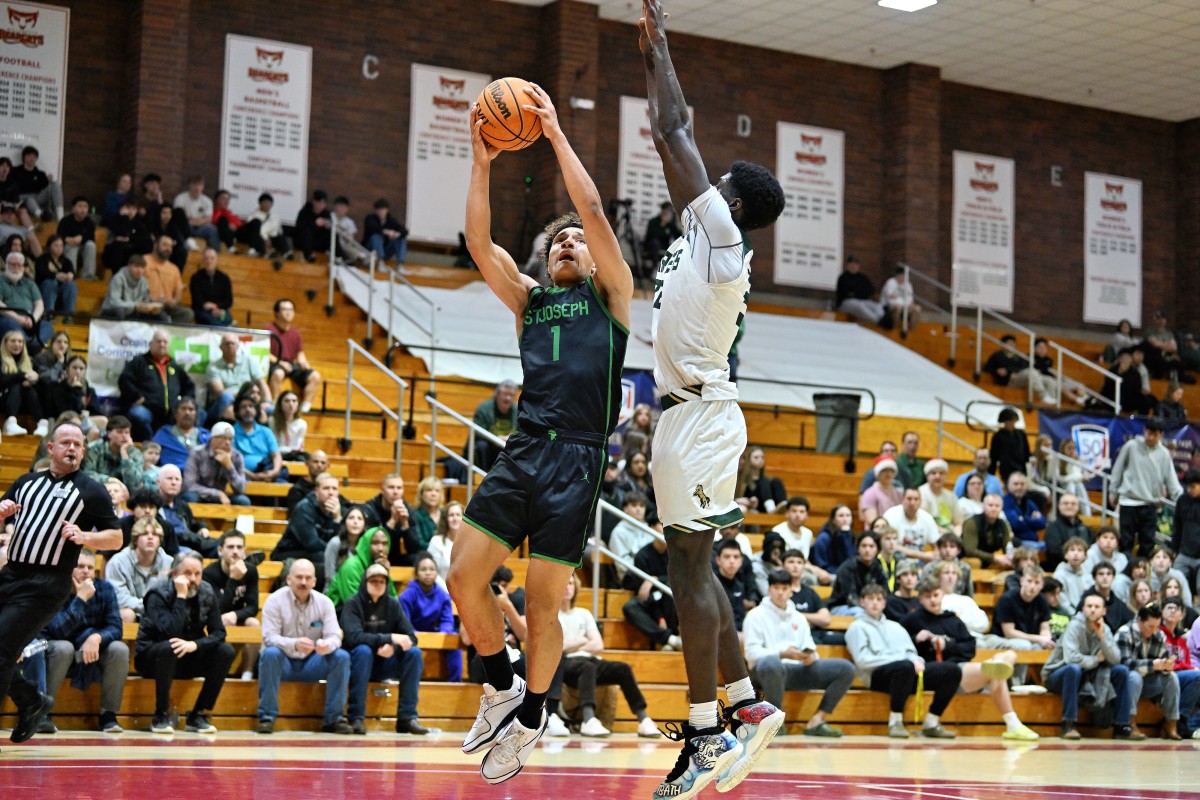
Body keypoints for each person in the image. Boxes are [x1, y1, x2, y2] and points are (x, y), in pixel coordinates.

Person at [447, 78, 634, 785]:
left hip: (579, 460)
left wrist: (554, 134)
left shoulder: (612, 299)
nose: (568, 241)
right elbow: (477, 241)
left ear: (593, 260)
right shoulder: (528, 301)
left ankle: (533, 716)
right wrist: (481, 158)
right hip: (525, 449)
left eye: (576, 242)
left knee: (540, 598)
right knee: (463, 577)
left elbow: (590, 208)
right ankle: (499, 686)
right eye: (557, 239)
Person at [638, 3, 791, 791]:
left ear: (729, 202)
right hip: (690, 415)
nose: (705, 180)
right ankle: (746, 704)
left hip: (699, 416)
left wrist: (659, 48)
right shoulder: (707, 236)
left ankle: (705, 734)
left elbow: (673, 131)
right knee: (693, 569)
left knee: (691, 574)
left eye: (718, 181)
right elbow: (676, 142)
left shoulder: (724, 240)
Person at [0, 422, 123, 745]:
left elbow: (117, 537)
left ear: (83, 451)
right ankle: (31, 700)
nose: (72, 448)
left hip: (47, 584)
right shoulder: (26, 483)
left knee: (1, 649)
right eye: (65, 442)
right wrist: (1, 513)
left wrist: (86, 536)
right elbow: (3, 513)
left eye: (78, 444)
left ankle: (30, 701)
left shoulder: (91, 490)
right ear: (50, 448)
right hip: (11, 574)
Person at [901, 580, 1038, 740]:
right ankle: (1013, 724)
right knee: (994, 672)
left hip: (960, 669)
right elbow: (898, 646)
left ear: (942, 595)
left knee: (1008, 656)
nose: (933, 600)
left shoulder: (952, 619)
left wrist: (948, 645)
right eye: (927, 596)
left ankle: (999, 668)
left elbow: (970, 648)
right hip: (934, 673)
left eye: (936, 595)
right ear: (921, 599)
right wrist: (915, 638)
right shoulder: (912, 620)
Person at [742, 568, 855, 736]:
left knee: (846, 668)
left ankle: (816, 721)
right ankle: (775, 723)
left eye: (784, 588)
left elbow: (809, 645)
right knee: (772, 663)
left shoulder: (799, 617)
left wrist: (810, 656)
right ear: (769, 589)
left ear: (790, 591)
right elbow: (751, 654)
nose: (780, 593)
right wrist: (782, 653)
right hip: (764, 673)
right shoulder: (755, 616)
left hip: (797, 670)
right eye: (776, 588)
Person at [134, 551, 235, 734]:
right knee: (171, 646)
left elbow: (219, 633)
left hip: (186, 655)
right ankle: (160, 715)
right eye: (187, 573)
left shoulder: (206, 591)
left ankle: (198, 714)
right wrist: (181, 596)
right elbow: (170, 633)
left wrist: (195, 645)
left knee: (225, 651)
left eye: (197, 574)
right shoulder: (157, 593)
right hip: (152, 658)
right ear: (175, 574)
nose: (193, 579)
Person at [551, 573, 660, 738]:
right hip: (566, 664)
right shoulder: (553, 615)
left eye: (571, 583)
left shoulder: (584, 613)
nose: (568, 587)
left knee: (622, 669)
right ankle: (589, 720)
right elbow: (557, 648)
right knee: (586, 668)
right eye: (565, 583)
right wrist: (582, 640)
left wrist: (572, 644)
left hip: (590, 659)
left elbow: (598, 645)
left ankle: (643, 719)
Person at [846, 583, 960, 738]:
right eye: (870, 598)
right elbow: (863, 661)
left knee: (951, 670)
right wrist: (903, 660)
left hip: (906, 674)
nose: (875, 603)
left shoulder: (896, 627)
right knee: (904, 666)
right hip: (877, 678)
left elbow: (911, 652)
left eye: (879, 599)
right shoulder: (856, 627)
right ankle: (895, 722)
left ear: (884, 604)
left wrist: (917, 660)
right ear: (862, 602)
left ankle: (932, 722)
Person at [257, 558, 352, 734]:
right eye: (299, 577)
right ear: (288, 579)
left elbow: (335, 636)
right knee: (269, 653)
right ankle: (267, 717)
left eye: (308, 578)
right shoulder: (274, 601)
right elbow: (269, 637)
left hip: (312, 663)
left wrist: (327, 645)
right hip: (282, 662)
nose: (303, 582)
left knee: (341, 656)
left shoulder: (325, 603)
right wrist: (294, 644)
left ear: (314, 581)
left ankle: (334, 718)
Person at [41, 549, 130, 734]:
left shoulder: (105, 588)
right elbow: (58, 631)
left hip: (91, 650)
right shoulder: (55, 589)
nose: (86, 571)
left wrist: (96, 637)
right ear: (69, 568)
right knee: (64, 648)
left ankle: (109, 715)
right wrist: (81, 599)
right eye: (80, 566)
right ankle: (42, 713)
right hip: (59, 649)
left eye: (90, 567)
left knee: (119, 649)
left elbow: (116, 627)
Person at [341, 562, 429, 735]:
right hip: (358, 663)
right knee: (363, 651)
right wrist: (389, 637)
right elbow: (353, 637)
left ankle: (407, 718)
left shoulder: (393, 604)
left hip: (385, 661)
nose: (378, 585)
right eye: (373, 580)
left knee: (414, 653)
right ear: (364, 582)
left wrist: (394, 647)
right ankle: (356, 717)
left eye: (382, 581)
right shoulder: (352, 603)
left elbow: (411, 637)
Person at [1042, 592, 1134, 739]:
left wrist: (1102, 637)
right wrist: (1096, 660)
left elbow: (1116, 659)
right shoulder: (1074, 626)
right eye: (1089, 606)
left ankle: (1121, 725)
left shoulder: (1105, 629)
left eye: (1096, 606)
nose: (1092, 609)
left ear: (1103, 611)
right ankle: (1068, 725)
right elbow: (1071, 659)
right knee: (1073, 669)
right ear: (1083, 609)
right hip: (1057, 674)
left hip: (1087, 673)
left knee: (1121, 671)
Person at [1111, 418, 1183, 556]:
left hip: (1150, 504)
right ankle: (1126, 575)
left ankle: (1144, 576)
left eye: (1154, 435)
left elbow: (1172, 481)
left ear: (1160, 434)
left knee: (1148, 545)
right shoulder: (1131, 446)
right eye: (1148, 433)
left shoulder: (1164, 454)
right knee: (1126, 543)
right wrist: (1113, 492)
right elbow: (1117, 470)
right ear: (1144, 430)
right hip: (1128, 502)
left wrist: (1182, 499)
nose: (1150, 437)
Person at [201, 529, 261, 680]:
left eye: (239, 547)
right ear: (220, 551)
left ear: (244, 551)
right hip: (213, 619)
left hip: (236, 616)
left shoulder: (251, 571)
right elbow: (215, 609)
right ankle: (210, 671)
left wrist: (235, 614)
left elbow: (253, 607)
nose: (235, 551)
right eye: (230, 547)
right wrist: (233, 579)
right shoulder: (209, 573)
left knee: (254, 623)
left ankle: (247, 673)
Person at [118, 329, 196, 441]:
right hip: (147, 408)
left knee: (199, 413)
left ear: (169, 345)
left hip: (171, 412)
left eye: (165, 342)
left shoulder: (174, 366)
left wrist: (185, 402)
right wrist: (137, 397)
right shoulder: (139, 362)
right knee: (139, 414)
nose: (162, 344)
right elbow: (124, 380)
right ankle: (151, 445)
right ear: (151, 344)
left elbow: (189, 385)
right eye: (159, 341)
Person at [1116, 604, 1180, 740]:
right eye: (1150, 626)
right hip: (1125, 684)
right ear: (1139, 620)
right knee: (1134, 676)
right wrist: (1151, 665)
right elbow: (1123, 663)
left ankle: (1171, 723)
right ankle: (1129, 724)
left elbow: (1163, 657)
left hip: (1148, 681)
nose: (1154, 630)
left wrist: (1166, 665)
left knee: (1172, 678)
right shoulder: (1125, 632)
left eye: (1156, 626)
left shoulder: (1159, 634)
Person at [272, 473, 345, 584]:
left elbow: (339, 541)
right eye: (326, 488)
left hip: (316, 554)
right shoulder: (304, 508)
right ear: (316, 491)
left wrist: (337, 519)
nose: (331, 493)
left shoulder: (337, 511)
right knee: (325, 559)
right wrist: (332, 551)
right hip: (289, 552)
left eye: (334, 489)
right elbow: (312, 543)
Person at [266, 298, 322, 414]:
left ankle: (304, 408)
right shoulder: (268, 330)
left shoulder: (295, 333)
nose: (288, 312)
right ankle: (275, 405)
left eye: (291, 309)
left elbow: (300, 353)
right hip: (275, 364)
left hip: (291, 365)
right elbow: (265, 353)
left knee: (315, 376)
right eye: (284, 309)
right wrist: (281, 363)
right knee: (278, 373)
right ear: (276, 313)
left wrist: (303, 362)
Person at [181, 421, 249, 506]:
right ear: (212, 439)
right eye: (223, 438)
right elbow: (189, 485)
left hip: (223, 498)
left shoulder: (236, 456)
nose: (227, 443)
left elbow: (241, 489)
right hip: (201, 495)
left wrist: (229, 466)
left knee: (243, 501)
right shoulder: (197, 453)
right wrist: (217, 494)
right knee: (190, 497)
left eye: (230, 439)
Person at [360, 473, 422, 567]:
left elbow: (414, 549)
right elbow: (370, 545)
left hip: (394, 556)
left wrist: (405, 523)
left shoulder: (408, 510)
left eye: (399, 488)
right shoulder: (370, 509)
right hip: (373, 557)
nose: (395, 492)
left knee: (419, 558)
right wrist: (393, 520)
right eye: (391, 487)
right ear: (382, 490)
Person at [327, 526, 392, 608]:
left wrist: (386, 573)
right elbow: (353, 604)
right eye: (375, 543)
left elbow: (393, 601)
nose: (380, 548)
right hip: (342, 613)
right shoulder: (351, 566)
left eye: (384, 544)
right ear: (366, 544)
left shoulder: (382, 567)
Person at [0, 250, 52, 345]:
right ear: (6, 264)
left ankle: (30, 344)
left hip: (30, 320)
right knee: (7, 323)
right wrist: (17, 318)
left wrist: (33, 319)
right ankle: (27, 343)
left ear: (23, 267)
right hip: (9, 319)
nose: (16, 268)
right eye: (13, 264)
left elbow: (39, 304)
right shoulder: (1, 281)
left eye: (19, 265)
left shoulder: (30, 283)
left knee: (47, 326)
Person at [828, 532, 887, 616]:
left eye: (871, 546)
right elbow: (850, 598)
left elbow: (884, 592)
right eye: (864, 546)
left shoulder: (878, 567)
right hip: (842, 606)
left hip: (868, 606)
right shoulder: (848, 567)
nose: (867, 550)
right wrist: (870, 609)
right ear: (858, 548)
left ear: (877, 550)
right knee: (862, 614)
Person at [233, 396, 284, 483]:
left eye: (251, 406)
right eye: (243, 407)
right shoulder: (232, 431)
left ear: (256, 411)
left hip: (267, 472)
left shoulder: (266, 431)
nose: (248, 410)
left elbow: (276, 456)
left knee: (284, 486)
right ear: (237, 412)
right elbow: (231, 460)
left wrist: (273, 472)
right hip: (242, 475)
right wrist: (252, 476)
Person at [152, 398, 209, 472]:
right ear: (176, 413)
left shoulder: (206, 435)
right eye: (183, 409)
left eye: (191, 409)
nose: (187, 413)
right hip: (171, 477)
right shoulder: (164, 434)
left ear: (196, 415)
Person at [883, 487, 939, 562]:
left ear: (920, 502)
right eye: (909, 499)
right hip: (896, 560)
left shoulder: (927, 518)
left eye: (916, 499)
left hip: (920, 563)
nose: (912, 503)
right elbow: (888, 544)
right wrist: (921, 555)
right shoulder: (891, 515)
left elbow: (937, 546)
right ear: (902, 500)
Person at [1079, 561, 1135, 633]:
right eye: (1101, 574)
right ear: (1094, 578)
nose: (1105, 577)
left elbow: (1130, 620)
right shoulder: (1087, 600)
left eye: (1108, 574)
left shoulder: (1118, 602)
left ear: (1113, 578)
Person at [960, 494, 1014, 569]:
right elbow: (970, 551)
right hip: (969, 557)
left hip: (989, 558)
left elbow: (1008, 546)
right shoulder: (972, 523)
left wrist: (1010, 558)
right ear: (983, 506)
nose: (994, 509)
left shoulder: (1002, 524)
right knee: (976, 562)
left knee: (1011, 562)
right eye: (990, 505)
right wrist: (994, 558)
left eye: (997, 506)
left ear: (1001, 508)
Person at [12, 145, 64, 221]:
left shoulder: (40, 174)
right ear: (24, 157)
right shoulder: (15, 171)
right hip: (23, 198)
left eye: (34, 156)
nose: (32, 158)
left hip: (38, 197)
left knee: (55, 184)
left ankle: (61, 218)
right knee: (29, 199)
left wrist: (48, 180)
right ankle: (41, 215)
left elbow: (43, 188)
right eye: (29, 155)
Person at [835, 256, 888, 326]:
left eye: (855, 264)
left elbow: (870, 290)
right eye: (851, 264)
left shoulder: (863, 278)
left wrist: (857, 293)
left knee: (877, 306)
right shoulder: (843, 278)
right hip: (846, 303)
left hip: (863, 301)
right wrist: (860, 293)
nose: (853, 266)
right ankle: (878, 322)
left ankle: (884, 319)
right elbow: (846, 294)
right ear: (847, 266)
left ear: (858, 266)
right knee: (860, 306)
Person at [190, 247, 235, 326]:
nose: (209, 261)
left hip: (220, 310)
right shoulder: (195, 278)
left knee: (228, 318)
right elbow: (196, 299)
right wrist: (207, 307)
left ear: (217, 260)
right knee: (212, 321)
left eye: (212, 258)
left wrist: (217, 307)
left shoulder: (224, 278)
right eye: (206, 258)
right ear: (203, 261)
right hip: (202, 310)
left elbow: (229, 300)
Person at [1171, 468, 1200, 590]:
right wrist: (1174, 549)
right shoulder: (1182, 500)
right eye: (1187, 487)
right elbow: (1177, 526)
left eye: (1193, 487)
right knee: (1174, 583)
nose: (1189, 490)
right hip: (1184, 553)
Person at [736, 446, 787, 513]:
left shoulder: (766, 479)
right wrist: (749, 501)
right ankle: (771, 509)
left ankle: (783, 507)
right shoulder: (742, 479)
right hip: (752, 505)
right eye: (756, 457)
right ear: (748, 459)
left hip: (767, 505)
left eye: (762, 457)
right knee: (764, 481)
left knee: (776, 481)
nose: (760, 460)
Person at [1003, 471, 1047, 549]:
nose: (1019, 487)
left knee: (1048, 546)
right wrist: (1032, 519)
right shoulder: (1005, 502)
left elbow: (1042, 522)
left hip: (1034, 541)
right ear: (1008, 485)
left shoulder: (1028, 502)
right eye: (1016, 484)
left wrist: (1024, 519)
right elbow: (1015, 524)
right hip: (1017, 542)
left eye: (1022, 484)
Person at [859, 458, 903, 529]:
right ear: (878, 473)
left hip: (893, 532)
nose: (888, 474)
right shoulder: (870, 493)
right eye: (884, 471)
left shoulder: (898, 492)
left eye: (891, 471)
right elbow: (872, 521)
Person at [363, 198, 409, 267]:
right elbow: (373, 227)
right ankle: (380, 262)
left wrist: (397, 234)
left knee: (401, 239)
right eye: (379, 210)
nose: (381, 212)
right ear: (376, 211)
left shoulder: (391, 220)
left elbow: (404, 230)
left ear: (387, 210)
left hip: (385, 250)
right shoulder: (370, 218)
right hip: (370, 250)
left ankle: (400, 264)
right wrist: (387, 232)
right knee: (376, 236)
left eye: (383, 210)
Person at [294, 190, 332, 262]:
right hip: (304, 242)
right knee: (307, 232)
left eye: (324, 203)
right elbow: (300, 228)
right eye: (319, 203)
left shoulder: (326, 214)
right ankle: (308, 255)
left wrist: (327, 225)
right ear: (314, 202)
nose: (321, 206)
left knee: (333, 234)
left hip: (319, 242)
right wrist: (314, 224)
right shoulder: (305, 212)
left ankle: (338, 256)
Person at [643, 201, 681, 267]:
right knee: (655, 243)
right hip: (652, 245)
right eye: (666, 211)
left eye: (670, 211)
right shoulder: (653, 221)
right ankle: (655, 267)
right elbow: (652, 235)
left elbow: (677, 236)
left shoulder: (671, 224)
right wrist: (663, 225)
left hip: (664, 245)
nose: (667, 213)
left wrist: (678, 226)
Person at [272, 390, 306, 459]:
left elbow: (299, 444)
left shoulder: (302, 423)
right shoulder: (273, 421)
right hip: (278, 454)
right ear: (280, 404)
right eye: (287, 401)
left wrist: (295, 450)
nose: (291, 404)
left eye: (294, 401)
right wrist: (289, 450)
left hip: (295, 454)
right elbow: (273, 446)